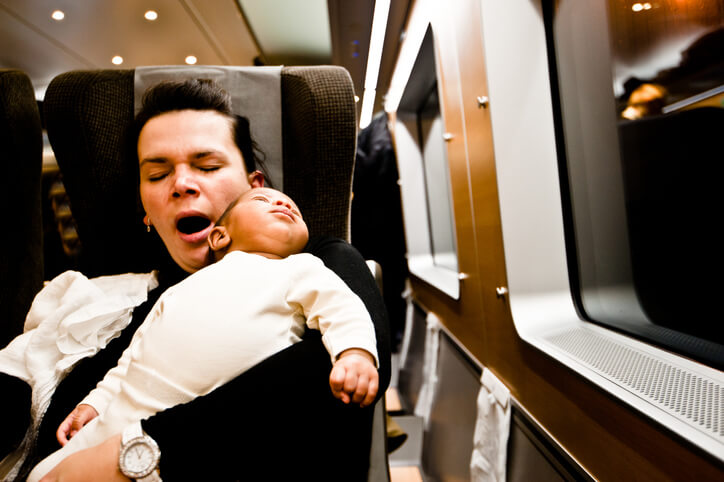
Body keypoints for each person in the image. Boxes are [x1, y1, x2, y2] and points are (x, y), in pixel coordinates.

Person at [1, 78, 390, 481]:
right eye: (156, 175)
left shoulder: (316, 262)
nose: (182, 184)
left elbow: (332, 380)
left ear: (255, 185)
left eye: (208, 166)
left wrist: (130, 455)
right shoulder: (124, 303)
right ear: (145, 210)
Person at [28, 186, 380, 481]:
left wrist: (355, 353)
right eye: (262, 200)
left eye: (293, 208)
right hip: (124, 406)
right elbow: (131, 356)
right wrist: (95, 402)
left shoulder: (302, 269)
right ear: (220, 235)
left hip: (193, 424)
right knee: (44, 472)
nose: (282, 203)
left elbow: (343, 309)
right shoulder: (180, 289)